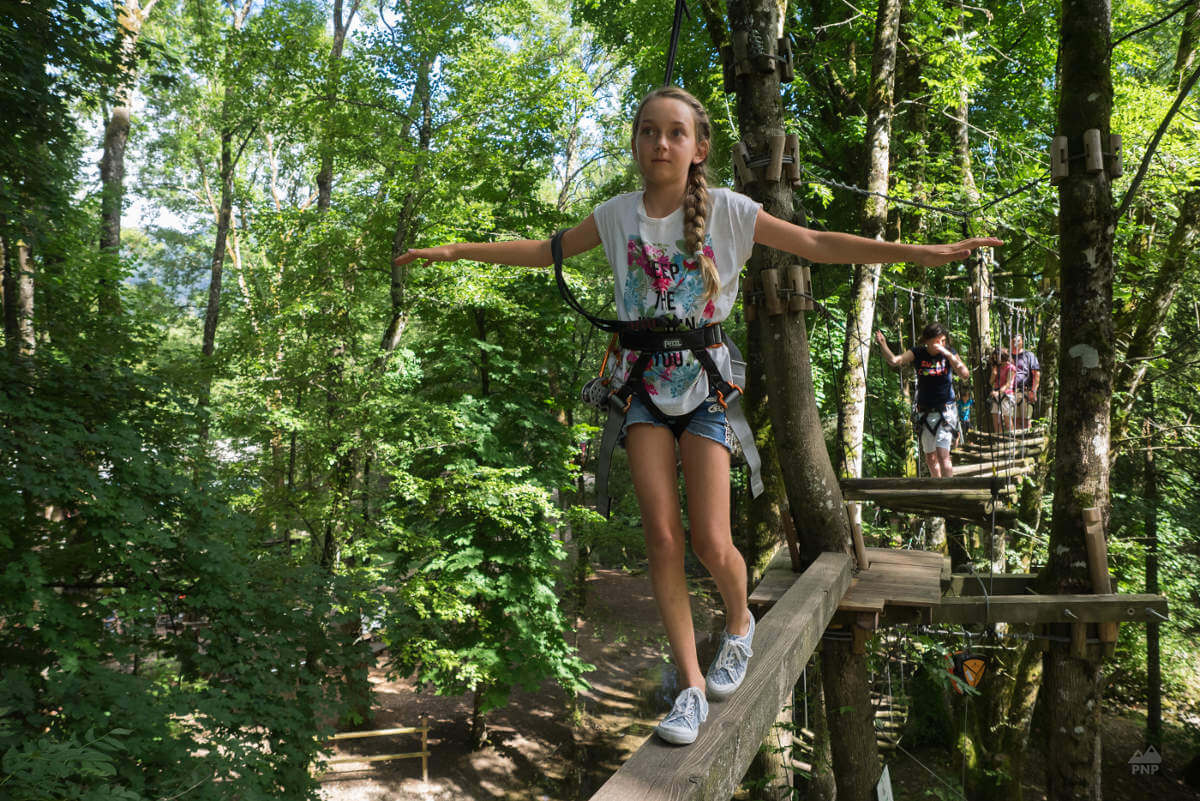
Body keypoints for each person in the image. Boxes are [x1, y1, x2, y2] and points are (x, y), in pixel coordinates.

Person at [394, 85, 1002, 745]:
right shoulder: (615, 215)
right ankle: (688, 686)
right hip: (643, 391)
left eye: (675, 133)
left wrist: (924, 254)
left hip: (707, 387)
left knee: (713, 542)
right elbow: (545, 252)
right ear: (634, 144)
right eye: (648, 131)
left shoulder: (731, 213)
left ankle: (739, 620)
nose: (660, 143)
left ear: (699, 147)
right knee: (663, 538)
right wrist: (455, 251)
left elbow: (816, 241)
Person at [875, 323, 970, 477]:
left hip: (945, 411)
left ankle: (949, 492)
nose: (941, 344)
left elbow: (965, 374)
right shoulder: (918, 352)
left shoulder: (950, 353)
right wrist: (883, 344)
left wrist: (948, 354)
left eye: (944, 341)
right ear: (927, 341)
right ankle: (938, 490)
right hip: (925, 412)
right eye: (938, 341)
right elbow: (895, 361)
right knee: (930, 457)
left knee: (942, 454)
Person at [1010, 335, 1040, 429]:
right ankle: (1017, 443)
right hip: (1011, 393)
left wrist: (1033, 391)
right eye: (1014, 341)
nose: (1016, 343)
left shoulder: (1029, 355)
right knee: (1014, 420)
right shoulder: (1007, 356)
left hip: (1025, 392)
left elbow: (1036, 374)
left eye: (1018, 341)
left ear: (1022, 342)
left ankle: (1028, 442)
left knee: (1026, 421)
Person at [988, 347, 1016, 433]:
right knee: (996, 422)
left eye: (997, 357)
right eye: (995, 357)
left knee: (1008, 421)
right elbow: (991, 382)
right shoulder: (997, 367)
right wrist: (994, 373)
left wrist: (998, 392)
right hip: (996, 395)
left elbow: (1008, 384)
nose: (996, 359)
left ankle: (1012, 442)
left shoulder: (1011, 367)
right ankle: (998, 442)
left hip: (1006, 395)